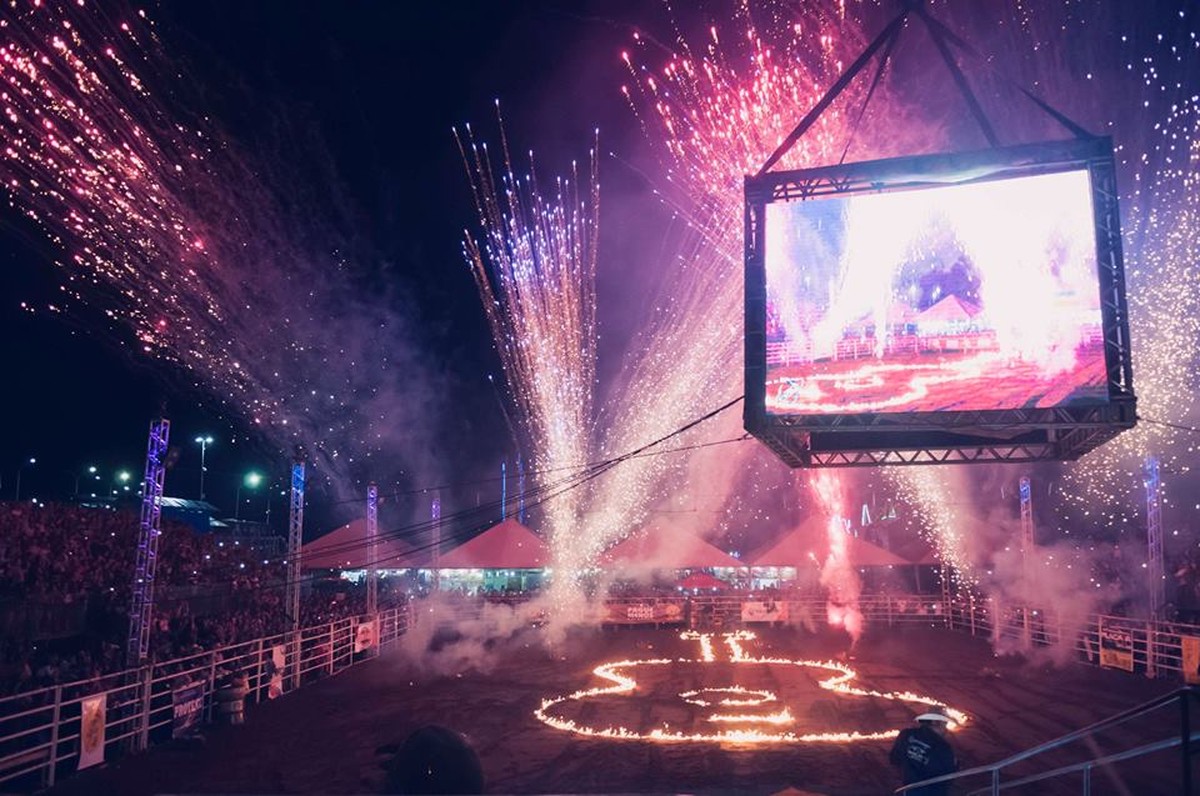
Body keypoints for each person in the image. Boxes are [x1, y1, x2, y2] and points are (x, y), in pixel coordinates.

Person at [889, 711, 958, 795]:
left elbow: (894, 758)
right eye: (944, 725)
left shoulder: (905, 735)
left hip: (909, 790)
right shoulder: (942, 746)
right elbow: (948, 775)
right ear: (935, 722)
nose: (946, 729)